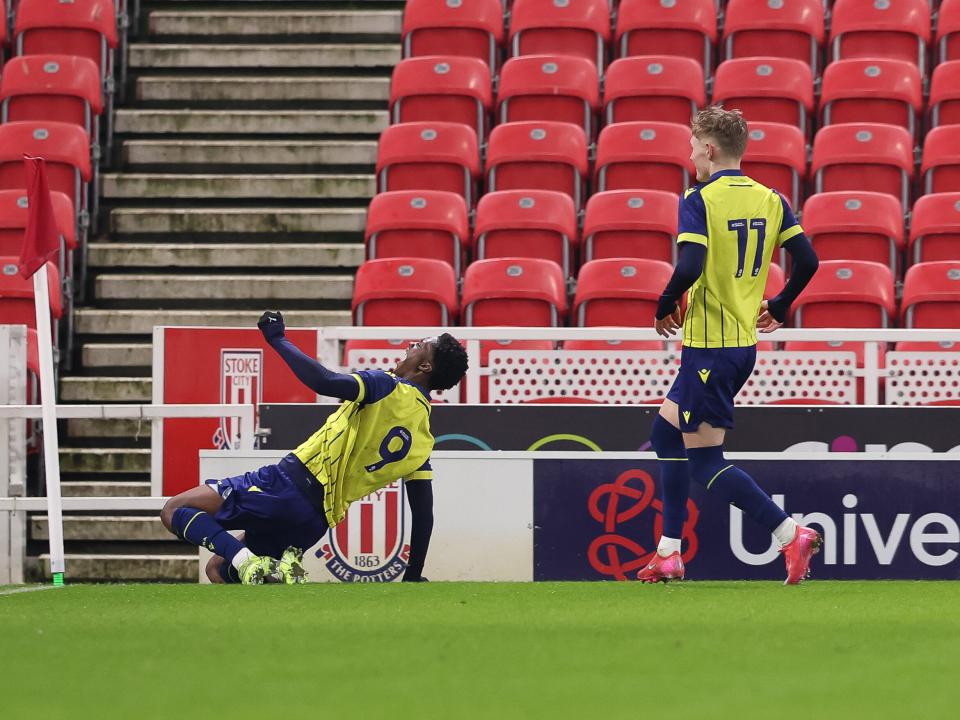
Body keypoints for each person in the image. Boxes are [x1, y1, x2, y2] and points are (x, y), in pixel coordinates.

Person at [638, 106, 822, 585]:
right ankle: (670, 552)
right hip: (738, 344)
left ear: (710, 149)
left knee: (704, 462)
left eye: (693, 145)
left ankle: (788, 533)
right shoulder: (771, 198)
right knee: (664, 434)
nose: (691, 153)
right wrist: (780, 304)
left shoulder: (699, 198)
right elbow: (807, 260)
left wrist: (664, 302)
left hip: (710, 350)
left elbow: (691, 261)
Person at [160, 311, 469, 585]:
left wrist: (278, 339)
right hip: (315, 522)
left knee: (174, 509)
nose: (409, 346)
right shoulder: (423, 440)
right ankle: (272, 571)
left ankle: (249, 561)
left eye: (418, 346)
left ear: (426, 365)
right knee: (218, 569)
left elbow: (325, 381)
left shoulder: (387, 386)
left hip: (286, 486)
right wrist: (413, 574)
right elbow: (423, 512)